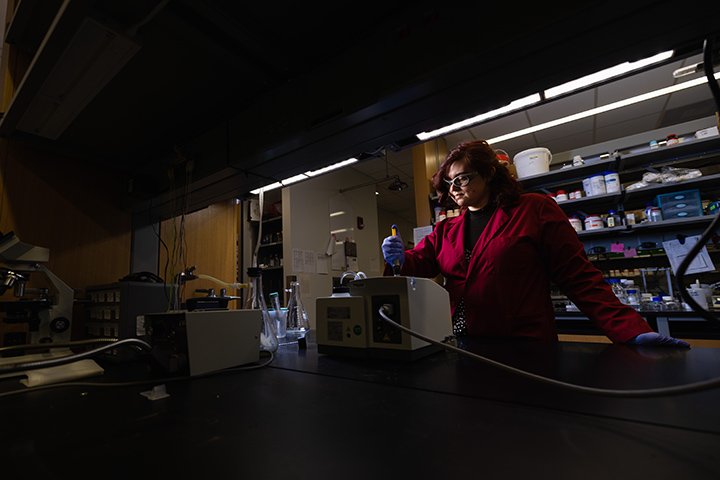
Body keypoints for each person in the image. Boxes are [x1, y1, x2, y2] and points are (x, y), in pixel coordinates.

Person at [381, 140, 689, 347]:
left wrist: (633, 331)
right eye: (448, 183)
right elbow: (416, 264)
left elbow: (579, 277)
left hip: (524, 345)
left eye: (462, 178)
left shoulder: (533, 209)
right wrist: (398, 258)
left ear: (489, 173)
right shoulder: (447, 228)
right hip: (463, 345)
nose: (454, 189)